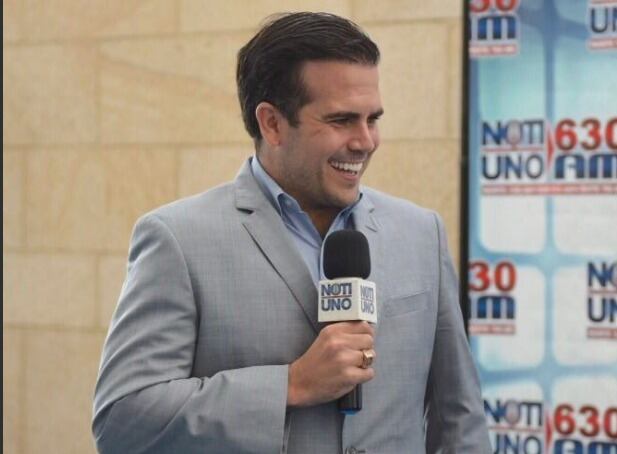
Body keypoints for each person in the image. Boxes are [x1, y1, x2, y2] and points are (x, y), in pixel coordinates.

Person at [92, 12, 491, 454]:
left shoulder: (421, 233)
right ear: (272, 124)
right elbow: (122, 419)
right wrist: (291, 385)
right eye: (341, 120)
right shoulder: (178, 240)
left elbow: (460, 421)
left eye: (372, 119)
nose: (365, 141)